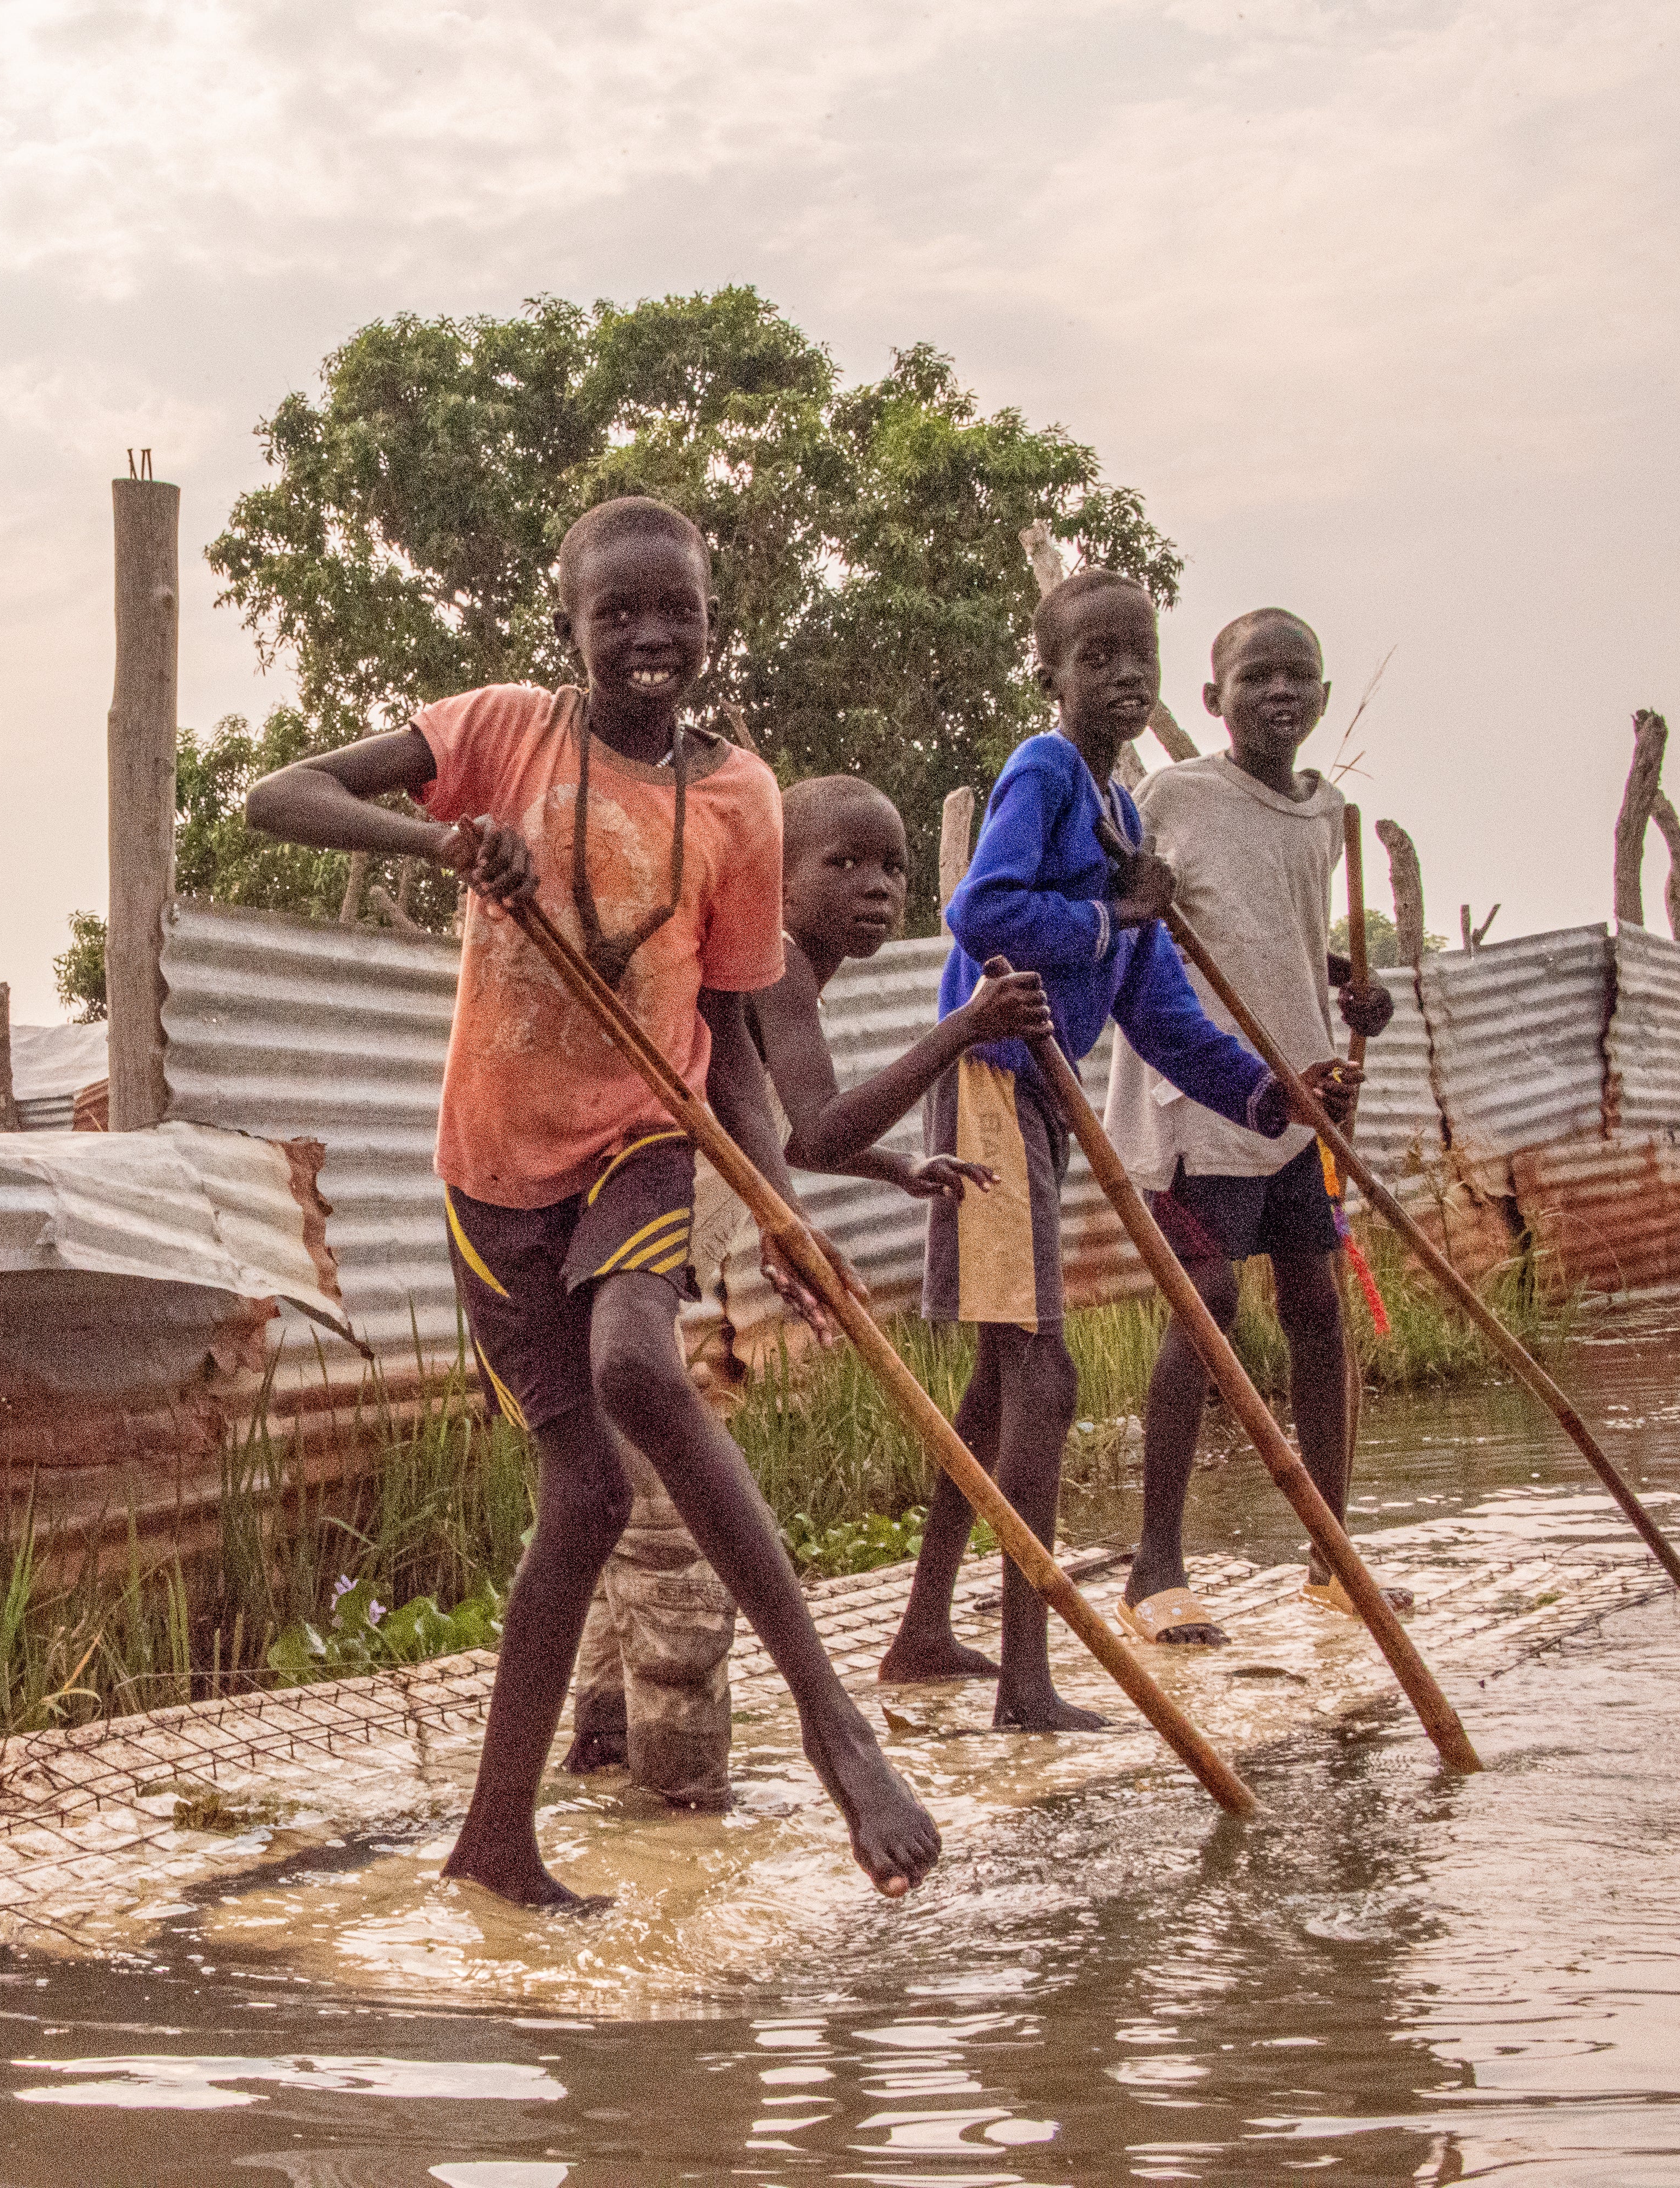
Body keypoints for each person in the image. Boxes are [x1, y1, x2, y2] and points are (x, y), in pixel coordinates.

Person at [240, 495, 942, 1906]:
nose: (648, 636)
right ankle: (496, 1842)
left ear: (708, 621)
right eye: (614, 612)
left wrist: (783, 1209)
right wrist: (444, 845)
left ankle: (836, 1724)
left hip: (646, 1139)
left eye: (672, 609)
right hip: (490, 1173)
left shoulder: (739, 799)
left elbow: (739, 1036)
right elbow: (278, 798)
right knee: (582, 1499)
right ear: (566, 626)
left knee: (637, 1363)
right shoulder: (502, 731)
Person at [869, 568, 1358, 1731]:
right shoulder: (1044, 774)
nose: (1123, 675)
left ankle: (924, 1629)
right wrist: (1105, 916)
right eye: (1095, 658)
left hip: (1039, 1093)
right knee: (1042, 1375)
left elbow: (1154, 1010)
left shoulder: (1122, 817)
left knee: (999, 1382)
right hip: (989, 1082)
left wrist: (1266, 1093)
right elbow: (980, 912)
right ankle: (1027, 1681)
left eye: (1137, 653)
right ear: (1051, 677)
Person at [562, 775, 1052, 1806]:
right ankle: (677, 1789)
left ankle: (606, 1743)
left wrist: (895, 1172)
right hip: (655, 1226)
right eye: (845, 865)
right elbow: (818, 1126)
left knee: (634, 1486)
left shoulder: (781, 971)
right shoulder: (773, 966)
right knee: (675, 1512)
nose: (877, 889)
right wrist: (962, 1029)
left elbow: (786, 1133)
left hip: (661, 1224)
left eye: (893, 869)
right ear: (776, 883)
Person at [1106, 609, 1396, 1644]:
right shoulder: (1171, 796)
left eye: (1299, 678)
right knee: (1211, 1301)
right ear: (1213, 699)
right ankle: (1154, 1574)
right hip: (1201, 1101)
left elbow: (1272, 937)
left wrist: (1351, 996)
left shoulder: (1330, 816)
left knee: (1318, 1306)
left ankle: (1332, 1556)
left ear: (1321, 699)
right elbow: (1147, 920)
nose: (1281, 693)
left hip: (1301, 1100)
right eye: (1257, 677)